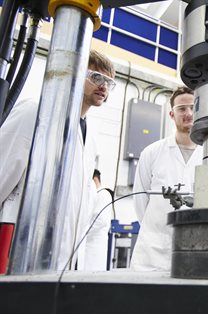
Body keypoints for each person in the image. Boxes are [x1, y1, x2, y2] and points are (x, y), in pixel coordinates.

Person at [0, 49, 116, 271]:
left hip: (66, 252)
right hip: (19, 242)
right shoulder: (36, 110)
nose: (104, 86)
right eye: (96, 77)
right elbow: (3, 169)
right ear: (74, 74)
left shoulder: (90, 135)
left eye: (109, 82)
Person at [131, 86, 203, 272]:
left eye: (192, 107)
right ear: (172, 114)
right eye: (181, 109)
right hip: (153, 254)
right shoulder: (152, 152)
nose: (187, 113)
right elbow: (141, 201)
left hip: (197, 249)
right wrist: (156, 232)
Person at [84, 169, 114, 271]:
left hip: (94, 246)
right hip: (89, 245)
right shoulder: (95, 195)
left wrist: (82, 234)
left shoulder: (103, 194)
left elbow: (100, 221)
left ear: (95, 180)